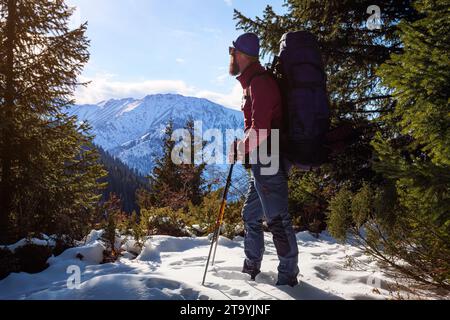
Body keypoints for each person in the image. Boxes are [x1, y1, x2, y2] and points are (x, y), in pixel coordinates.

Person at [228, 33, 299, 287]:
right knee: (250, 214)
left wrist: (241, 149)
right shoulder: (251, 83)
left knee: (278, 219)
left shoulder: (260, 83)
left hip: (270, 156)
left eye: (232, 51)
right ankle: (251, 268)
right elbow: (255, 127)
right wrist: (242, 146)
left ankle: (288, 278)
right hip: (262, 158)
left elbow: (262, 128)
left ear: (243, 55)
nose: (231, 56)